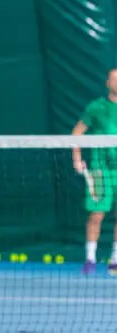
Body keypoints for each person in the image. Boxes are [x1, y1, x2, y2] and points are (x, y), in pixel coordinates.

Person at [72, 68, 117, 276]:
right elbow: (77, 133)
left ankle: (115, 260)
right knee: (96, 215)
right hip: (100, 171)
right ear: (107, 83)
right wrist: (77, 158)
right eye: (114, 79)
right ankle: (90, 259)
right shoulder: (96, 108)